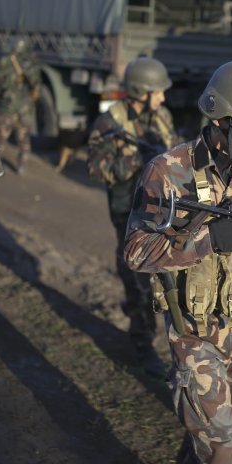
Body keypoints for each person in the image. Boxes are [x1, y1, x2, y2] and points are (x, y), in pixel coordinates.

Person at [124, 60, 232, 464]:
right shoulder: (169, 172)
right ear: (221, 118)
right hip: (195, 335)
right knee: (222, 452)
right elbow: (135, 252)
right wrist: (207, 241)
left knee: (219, 432)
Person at [87, 56, 179, 377]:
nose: (164, 97)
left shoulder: (162, 117)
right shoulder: (110, 123)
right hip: (129, 212)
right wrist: (137, 162)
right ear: (142, 91)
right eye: (158, 91)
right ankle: (142, 342)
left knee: (167, 277)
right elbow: (96, 169)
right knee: (138, 278)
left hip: (163, 209)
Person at [0, 37, 41, 174]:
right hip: (25, 109)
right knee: (24, 139)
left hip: (8, 106)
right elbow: (37, 87)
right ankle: (21, 165)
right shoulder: (31, 63)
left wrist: (1, 95)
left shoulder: (5, 61)